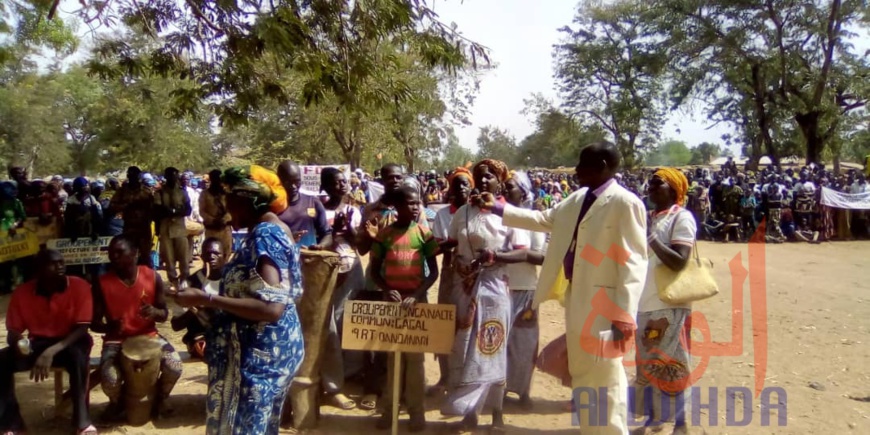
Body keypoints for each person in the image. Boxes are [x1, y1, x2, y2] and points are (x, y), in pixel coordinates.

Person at [493, 141, 648, 435]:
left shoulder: (625, 204)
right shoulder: (578, 198)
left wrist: (625, 315)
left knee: (607, 374)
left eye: (582, 164)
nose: (576, 169)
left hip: (609, 304)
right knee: (583, 373)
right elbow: (543, 219)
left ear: (602, 167)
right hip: (577, 298)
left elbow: (634, 263)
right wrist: (498, 209)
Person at [175, 165, 302, 434]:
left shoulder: (266, 235)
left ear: (248, 199)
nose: (228, 207)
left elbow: (272, 307)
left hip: (262, 353)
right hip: (270, 348)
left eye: (231, 199)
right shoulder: (276, 229)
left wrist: (208, 298)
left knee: (249, 427)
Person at [441, 159, 529, 433]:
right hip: (463, 288)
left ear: (500, 182)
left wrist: (497, 256)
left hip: (494, 290)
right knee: (464, 348)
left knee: (492, 347)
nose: (483, 179)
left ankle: (497, 415)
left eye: (490, 176)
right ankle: (470, 413)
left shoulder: (509, 214)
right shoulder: (463, 213)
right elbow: (452, 244)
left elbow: (523, 252)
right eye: (479, 175)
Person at [0, 250, 98, 435]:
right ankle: (11, 423)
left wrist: (51, 352)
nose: (60, 266)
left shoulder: (80, 286)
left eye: (62, 262)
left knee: (78, 357)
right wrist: (21, 345)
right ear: (39, 269)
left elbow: (82, 328)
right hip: (39, 343)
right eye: (53, 263)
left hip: (71, 341)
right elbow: (13, 332)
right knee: (2, 360)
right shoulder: (22, 293)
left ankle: (82, 422)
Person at [369, 185, 439, 432]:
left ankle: (417, 414)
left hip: (417, 305)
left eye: (417, 203)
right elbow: (373, 270)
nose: (415, 207)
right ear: (397, 207)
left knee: (416, 363)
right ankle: (389, 413)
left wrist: (417, 295)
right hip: (392, 307)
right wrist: (386, 290)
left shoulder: (423, 233)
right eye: (410, 203)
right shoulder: (384, 235)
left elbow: (434, 272)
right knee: (393, 360)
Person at [634, 168, 697, 435]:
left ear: (673, 189)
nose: (650, 188)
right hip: (643, 301)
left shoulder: (682, 218)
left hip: (667, 304)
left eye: (657, 184)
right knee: (648, 361)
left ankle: (680, 423)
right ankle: (655, 418)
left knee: (671, 362)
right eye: (650, 183)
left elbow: (679, 261)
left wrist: (650, 236)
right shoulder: (651, 217)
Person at [93, 235, 183, 420]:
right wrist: (109, 326)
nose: (114, 257)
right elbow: (94, 323)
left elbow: (164, 314)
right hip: (116, 340)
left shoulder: (152, 276)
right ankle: (117, 403)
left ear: (135, 254)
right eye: (111, 253)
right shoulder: (102, 283)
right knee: (110, 378)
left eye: (119, 252)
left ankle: (160, 397)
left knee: (175, 366)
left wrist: (155, 313)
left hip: (148, 336)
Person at [315, 167, 364, 410]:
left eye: (344, 181)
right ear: (325, 186)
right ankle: (331, 383)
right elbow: (318, 241)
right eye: (336, 182)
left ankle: (352, 373)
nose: (343, 185)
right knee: (329, 327)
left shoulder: (354, 210)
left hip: (351, 271)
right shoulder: (318, 210)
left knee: (350, 323)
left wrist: (349, 230)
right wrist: (333, 233)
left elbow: (360, 244)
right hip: (324, 274)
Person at [428, 167, 473, 396]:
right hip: (449, 273)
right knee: (445, 325)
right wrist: (453, 245)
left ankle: (466, 378)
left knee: (469, 325)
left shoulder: (477, 213)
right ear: (451, 190)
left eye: (465, 184)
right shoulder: (443, 215)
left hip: (473, 277)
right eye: (457, 185)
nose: (461, 189)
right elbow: (437, 247)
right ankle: (445, 377)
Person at [502, 170, 545, 409]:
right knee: (502, 342)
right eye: (505, 187)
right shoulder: (497, 217)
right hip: (500, 288)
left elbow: (541, 257)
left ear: (523, 191)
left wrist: (513, 255)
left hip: (526, 290)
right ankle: (503, 389)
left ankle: (523, 391)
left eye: (511, 187)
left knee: (525, 343)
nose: (506, 191)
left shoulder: (533, 220)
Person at [171, 237, 226, 359]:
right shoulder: (189, 284)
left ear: (225, 256)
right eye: (208, 254)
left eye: (216, 253)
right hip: (202, 336)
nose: (212, 257)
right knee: (205, 347)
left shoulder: (232, 281)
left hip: (227, 332)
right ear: (202, 257)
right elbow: (175, 325)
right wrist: (193, 308)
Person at [276, 160, 332, 248]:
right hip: (280, 259)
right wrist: (288, 238)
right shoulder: (271, 206)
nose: (294, 186)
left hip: (308, 259)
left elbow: (327, 234)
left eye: (297, 181)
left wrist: (320, 246)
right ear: (279, 180)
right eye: (288, 182)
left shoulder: (313, 202)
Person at [154, 167, 193, 286]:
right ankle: (173, 282)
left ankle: (184, 279)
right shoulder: (159, 192)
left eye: (175, 175)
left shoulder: (182, 192)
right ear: (166, 177)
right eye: (170, 175)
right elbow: (158, 210)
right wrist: (175, 211)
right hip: (165, 228)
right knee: (168, 258)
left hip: (180, 228)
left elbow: (188, 209)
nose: (172, 178)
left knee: (183, 256)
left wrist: (173, 211)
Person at [109, 167, 156, 266]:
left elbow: (153, 209)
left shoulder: (146, 191)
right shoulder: (122, 191)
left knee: (145, 257)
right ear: (128, 176)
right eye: (131, 175)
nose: (133, 177)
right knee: (129, 255)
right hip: (129, 227)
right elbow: (112, 206)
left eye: (135, 175)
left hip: (144, 228)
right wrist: (127, 205)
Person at [199, 169, 233, 256]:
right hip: (211, 229)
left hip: (225, 228)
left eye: (219, 179)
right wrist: (212, 220)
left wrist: (224, 219)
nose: (217, 181)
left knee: (226, 253)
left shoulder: (227, 194)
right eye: (215, 179)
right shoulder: (205, 194)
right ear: (211, 180)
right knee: (212, 254)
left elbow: (232, 209)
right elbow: (202, 211)